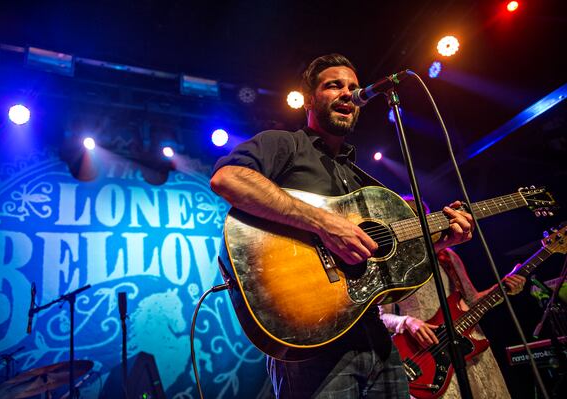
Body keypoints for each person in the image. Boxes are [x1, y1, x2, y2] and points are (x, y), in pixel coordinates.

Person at [210, 54, 474, 398]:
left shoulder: (358, 177)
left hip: (374, 337)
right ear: (308, 99)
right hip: (309, 342)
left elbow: (384, 261)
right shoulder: (284, 144)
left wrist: (439, 243)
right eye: (334, 85)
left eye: (353, 87)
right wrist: (323, 223)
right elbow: (228, 178)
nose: (348, 93)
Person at [380, 199, 526, 399]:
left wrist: (502, 288)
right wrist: (407, 322)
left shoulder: (448, 257)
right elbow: (380, 318)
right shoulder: (391, 264)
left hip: (466, 347)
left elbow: (472, 301)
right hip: (421, 354)